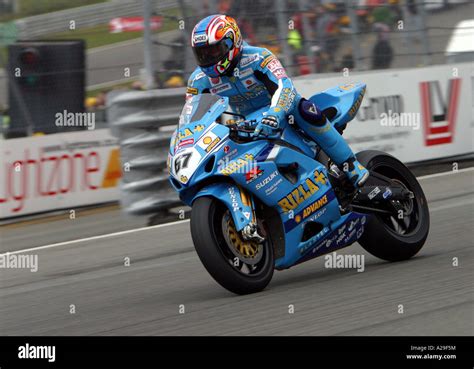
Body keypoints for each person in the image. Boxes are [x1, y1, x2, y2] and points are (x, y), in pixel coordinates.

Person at [187, 15, 369, 187]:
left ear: (231, 42)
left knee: (306, 109)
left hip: (282, 111)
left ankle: (351, 165)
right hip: (245, 122)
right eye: (202, 54)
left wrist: (275, 113)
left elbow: (285, 86)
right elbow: (192, 115)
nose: (208, 58)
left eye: (213, 50)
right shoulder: (198, 80)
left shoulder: (258, 57)